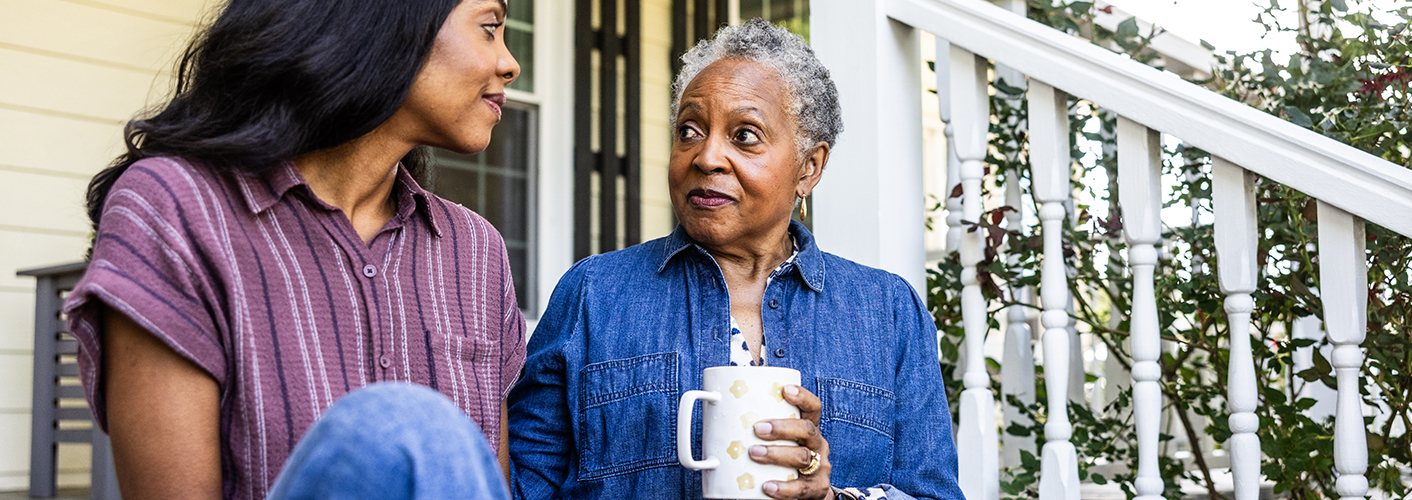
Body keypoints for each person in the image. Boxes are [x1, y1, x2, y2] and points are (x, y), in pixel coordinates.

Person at [62, 0, 526, 498]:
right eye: (489, 28)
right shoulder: (177, 209)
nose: (510, 63)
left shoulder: (477, 250)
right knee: (405, 422)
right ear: (382, 21)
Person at [507, 19, 962, 500]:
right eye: (689, 130)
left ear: (809, 167)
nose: (706, 157)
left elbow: (934, 493)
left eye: (744, 135)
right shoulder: (592, 294)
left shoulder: (887, 312)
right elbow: (519, 488)